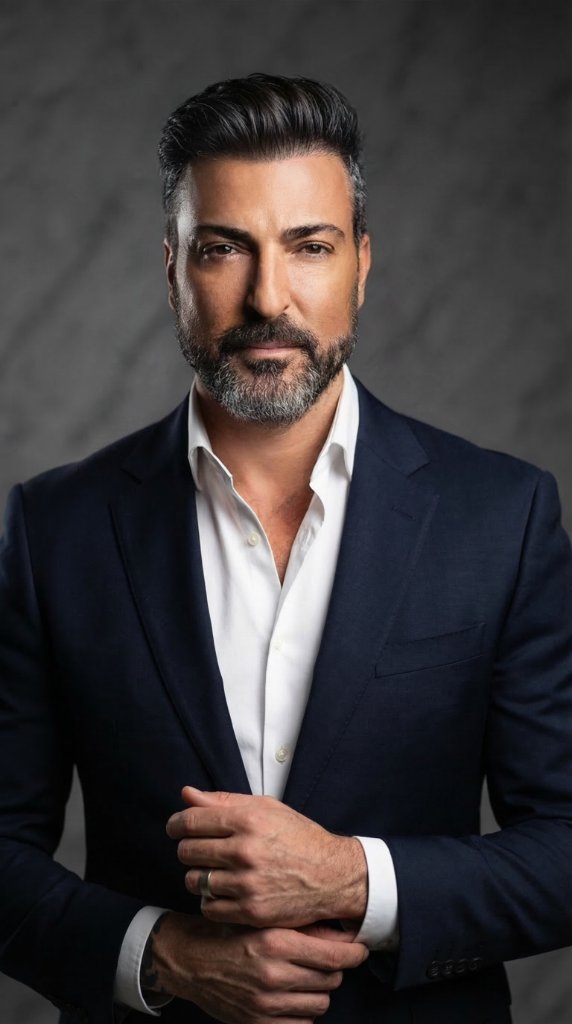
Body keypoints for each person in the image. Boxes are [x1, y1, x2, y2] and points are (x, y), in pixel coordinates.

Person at [0, 73, 570, 1024]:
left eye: (311, 246)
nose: (269, 297)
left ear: (362, 264)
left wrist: (355, 878)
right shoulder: (55, 527)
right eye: (224, 248)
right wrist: (160, 956)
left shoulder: (500, 517)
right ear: (173, 269)